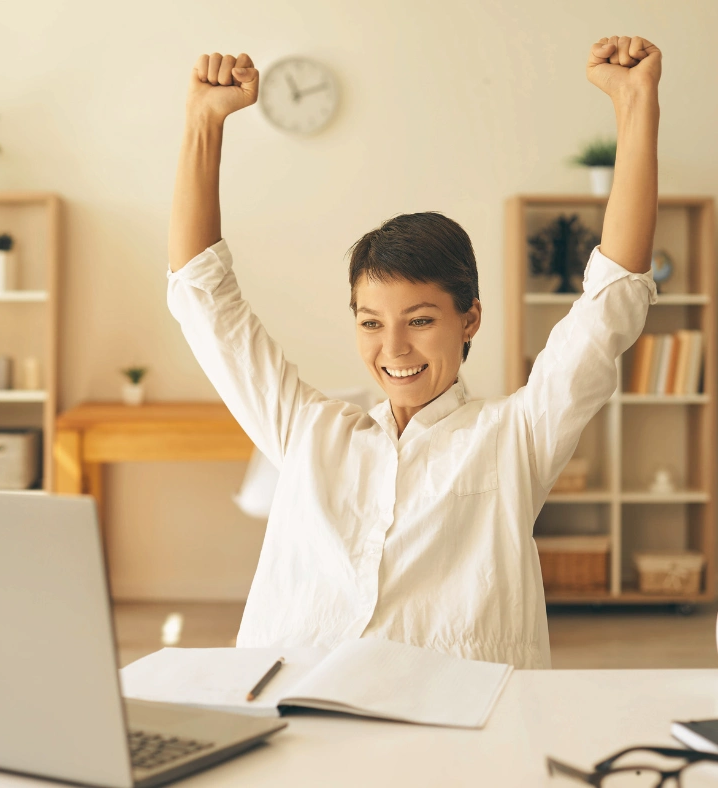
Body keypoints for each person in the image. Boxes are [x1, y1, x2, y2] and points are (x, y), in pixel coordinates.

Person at [166, 38, 661, 669]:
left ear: (469, 319)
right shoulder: (308, 431)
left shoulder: (515, 436)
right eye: (371, 322)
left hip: (459, 736)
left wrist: (636, 102)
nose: (393, 348)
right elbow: (202, 299)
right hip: (293, 725)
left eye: (420, 320)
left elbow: (612, 301)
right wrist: (203, 123)